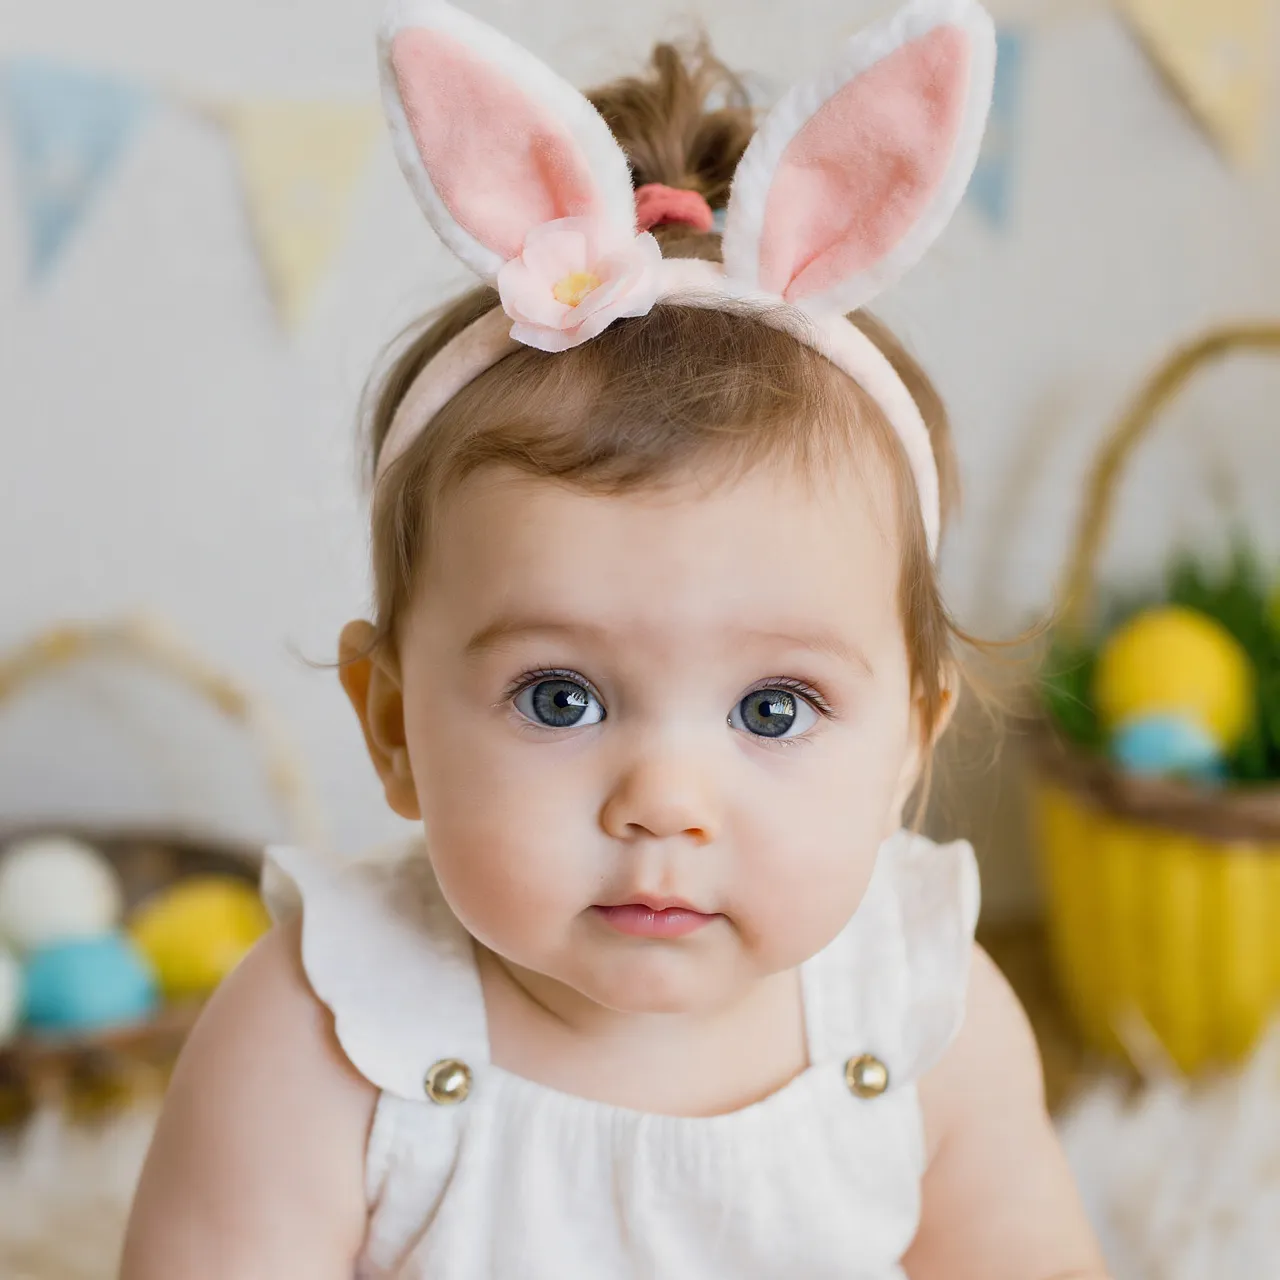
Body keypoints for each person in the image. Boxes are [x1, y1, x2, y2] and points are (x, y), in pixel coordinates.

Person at [121, 0, 1110, 1275]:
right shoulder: (322, 1032)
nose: (663, 804)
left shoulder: (924, 1014)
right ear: (391, 723)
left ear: (907, 747)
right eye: (558, 698)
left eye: (772, 708)